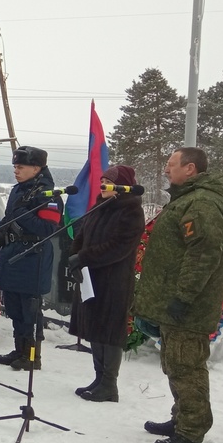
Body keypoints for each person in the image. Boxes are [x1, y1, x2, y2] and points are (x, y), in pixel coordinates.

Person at [134, 147, 223, 443]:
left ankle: (190, 433)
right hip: (175, 302)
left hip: (189, 306)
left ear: (189, 169)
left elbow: (203, 254)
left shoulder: (201, 203)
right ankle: (181, 419)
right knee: (176, 364)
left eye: (170, 164)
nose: (166, 169)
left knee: (187, 367)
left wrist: (184, 296)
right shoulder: (189, 200)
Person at [67, 164, 146, 403]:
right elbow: (82, 234)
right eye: (101, 180)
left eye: (108, 181)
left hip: (113, 281)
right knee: (94, 327)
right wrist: (76, 254)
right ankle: (99, 377)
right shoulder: (101, 206)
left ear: (122, 186)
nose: (102, 184)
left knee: (109, 331)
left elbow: (119, 247)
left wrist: (84, 257)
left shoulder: (131, 211)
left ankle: (109, 384)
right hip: (91, 278)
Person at [0, 146, 63, 372]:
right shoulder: (19, 190)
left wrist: (23, 215)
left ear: (36, 168)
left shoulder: (48, 195)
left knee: (30, 310)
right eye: (14, 166)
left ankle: (32, 355)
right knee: (14, 308)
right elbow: (11, 218)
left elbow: (48, 229)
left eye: (20, 167)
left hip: (33, 258)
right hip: (13, 255)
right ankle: (19, 350)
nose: (16, 170)